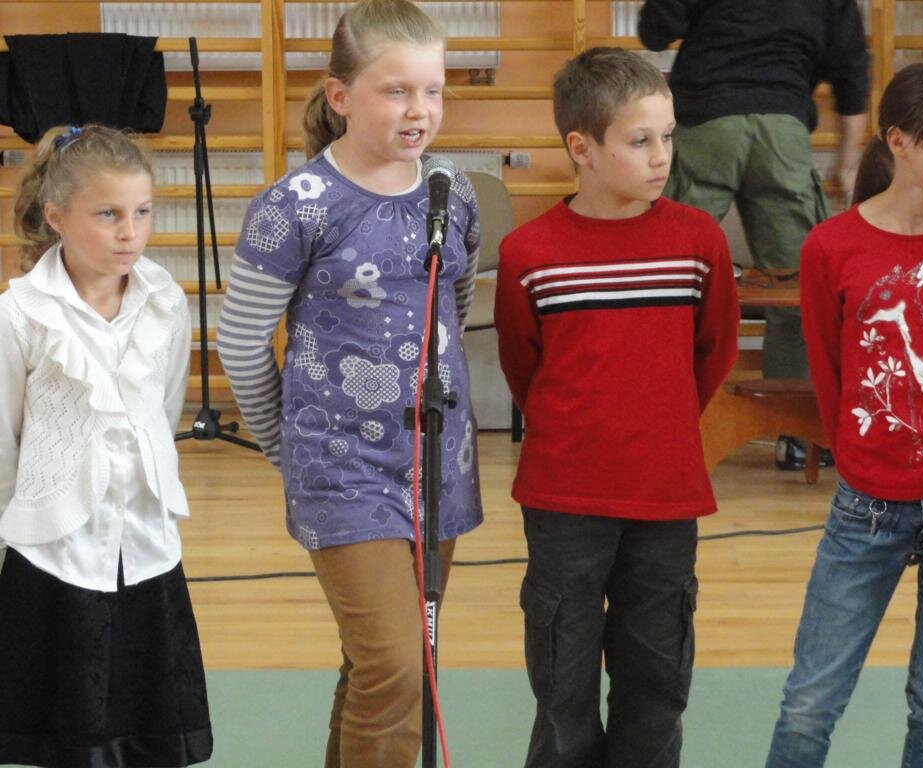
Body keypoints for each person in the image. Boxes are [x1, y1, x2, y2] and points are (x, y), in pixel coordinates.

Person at [218, 1, 483, 766]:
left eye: (432, 91)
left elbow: (453, 310)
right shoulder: (294, 206)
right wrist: (285, 446)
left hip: (436, 463)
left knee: (382, 667)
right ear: (341, 97)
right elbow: (240, 341)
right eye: (396, 91)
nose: (419, 110)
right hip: (339, 464)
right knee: (397, 665)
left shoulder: (453, 192)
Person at [764, 60, 923, 768]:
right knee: (810, 701)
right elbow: (829, 375)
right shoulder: (831, 247)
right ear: (899, 141)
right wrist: (866, 462)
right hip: (868, 507)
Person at [495, 47, 739, 768]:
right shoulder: (529, 252)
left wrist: (659, 424)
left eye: (667, 136)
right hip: (564, 499)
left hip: (666, 495)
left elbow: (713, 351)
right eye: (639, 141)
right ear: (582, 148)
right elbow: (524, 367)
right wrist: (583, 427)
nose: (661, 156)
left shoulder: (698, 242)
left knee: (657, 678)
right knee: (561, 679)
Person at [0, 124, 212, 767]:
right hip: (55, 552)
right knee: (71, 732)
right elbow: (4, 440)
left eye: (142, 212)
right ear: (56, 216)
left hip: (146, 544)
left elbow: (164, 407)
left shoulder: (165, 302)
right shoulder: (20, 314)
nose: (130, 232)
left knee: (146, 728)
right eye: (108, 214)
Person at [638, 0, 869, 468]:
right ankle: (797, 435)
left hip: (707, 122)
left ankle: (658, 422)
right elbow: (852, 75)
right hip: (782, 130)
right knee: (797, 285)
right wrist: (847, 163)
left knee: (669, 277)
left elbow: (655, 29)